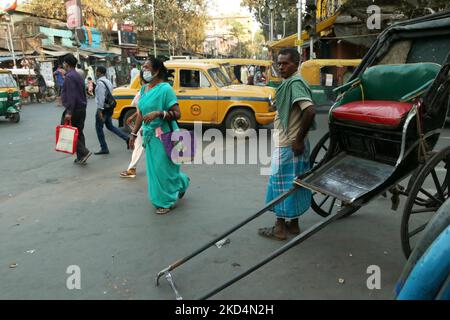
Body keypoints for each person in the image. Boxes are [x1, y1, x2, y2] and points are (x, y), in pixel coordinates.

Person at [258, 48, 316, 241]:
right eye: (279, 63)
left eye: (285, 63)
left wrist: (298, 140)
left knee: (279, 185)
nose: (281, 67)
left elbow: (310, 111)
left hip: (289, 145)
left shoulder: (295, 83)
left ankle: (280, 227)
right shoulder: (288, 83)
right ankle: (294, 224)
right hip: (292, 144)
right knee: (295, 184)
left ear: (296, 63)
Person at [129, 58, 189, 215]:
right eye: (143, 67)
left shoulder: (165, 89)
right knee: (155, 170)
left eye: (147, 67)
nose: (144, 70)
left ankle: (166, 201)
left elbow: (178, 113)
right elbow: (140, 114)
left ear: (156, 71)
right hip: (149, 136)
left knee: (164, 169)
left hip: (166, 133)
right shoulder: (143, 90)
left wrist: (159, 113)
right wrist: (133, 134)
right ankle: (182, 183)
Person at [60, 54, 92, 165]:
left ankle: (84, 152)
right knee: (79, 132)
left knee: (68, 130)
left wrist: (69, 112)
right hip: (81, 108)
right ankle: (81, 157)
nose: (63, 65)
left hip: (74, 109)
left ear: (67, 64)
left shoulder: (69, 76)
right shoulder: (78, 75)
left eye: (64, 63)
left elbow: (71, 95)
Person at [120, 69, 151, 178]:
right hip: (146, 125)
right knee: (140, 145)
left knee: (142, 147)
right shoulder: (146, 91)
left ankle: (179, 179)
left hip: (149, 126)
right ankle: (132, 168)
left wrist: (134, 131)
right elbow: (140, 110)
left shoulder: (144, 92)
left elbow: (141, 111)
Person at [94, 66, 130, 155]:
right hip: (109, 108)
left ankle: (104, 148)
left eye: (96, 71)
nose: (95, 73)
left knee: (99, 128)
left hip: (103, 109)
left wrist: (99, 110)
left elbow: (101, 98)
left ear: (98, 72)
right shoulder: (107, 81)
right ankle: (127, 138)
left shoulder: (100, 83)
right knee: (110, 126)